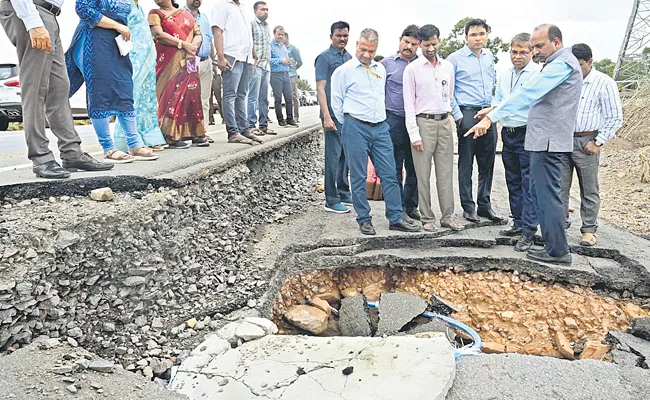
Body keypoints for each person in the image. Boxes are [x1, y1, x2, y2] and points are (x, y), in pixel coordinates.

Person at [467, 24, 583, 265]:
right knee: (541, 192)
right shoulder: (554, 64)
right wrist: (495, 109)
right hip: (543, 140)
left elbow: (529, 93)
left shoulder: (562, 64)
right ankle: (553, 246)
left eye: (539, 46)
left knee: (546, 195)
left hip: (548, 141)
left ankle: (558, 251)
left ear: (557, 42)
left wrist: (491, 118)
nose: (536, 50)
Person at [0, 0, 113, 178]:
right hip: (32, 11)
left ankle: (72, 152)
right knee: (35, 88)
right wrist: (33, 22)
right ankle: (41, 157)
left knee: (59, 88)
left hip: (49, 14)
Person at [331, 28, 422, 235]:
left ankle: (396, 217)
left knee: (390, 173)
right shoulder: (344, 72)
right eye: (363, 49)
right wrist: (349, 127)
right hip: (355, 126)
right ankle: (364, 218)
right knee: (358, 175)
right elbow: (336, 103)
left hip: (381, 128)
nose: (366, 55)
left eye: (371, 51)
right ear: (356, 44)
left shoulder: (380, 69)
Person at [67, 0, 159, 163]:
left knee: (125, 88)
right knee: (100, 91)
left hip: (118, 43)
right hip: (94, 39)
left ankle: (134, 144)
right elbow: (83, 9)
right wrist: (117, 26)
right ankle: (108, 148)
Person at [480, 33, 542, 252]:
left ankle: (529, 231)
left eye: (523, 52)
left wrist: (491, 116)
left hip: (527, 132)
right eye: (514, 52)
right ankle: (517, 222)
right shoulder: (505, 75)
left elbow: (519, 102)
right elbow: (499, 101)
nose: (517, 56)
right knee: (512, 179)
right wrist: (490, 110)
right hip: (509, 132)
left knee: (528, 182)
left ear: (532, 52)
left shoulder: (537, 74)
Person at [403, 24, 464, 233]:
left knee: (446, 172)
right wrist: (414, 134)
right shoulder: (412, 69)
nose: (431, 48)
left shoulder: (447, 67)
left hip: (444, 122)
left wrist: (457, 120)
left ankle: (448, 216)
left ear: (439, 41)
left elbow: (451, 96)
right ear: (419, 44)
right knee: (423, 173)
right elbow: (408, 104)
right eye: (427, 45)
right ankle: (427, 217)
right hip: (423, 123)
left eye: (434, 44)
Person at [561, 43, 623, 247]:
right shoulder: (566, 79)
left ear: (590, 62)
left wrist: (598, 142)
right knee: (560, 187)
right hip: (563, 139)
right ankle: (560, 226)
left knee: (589, 189)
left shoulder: (604, 83)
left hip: (587, 140)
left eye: (579, 65)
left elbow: (614, 116)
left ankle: (588, 230)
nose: (575, 70)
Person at [448, 18, 505, 224]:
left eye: (482, 34)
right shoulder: (455, 59)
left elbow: (493, 86)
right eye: (473, 34)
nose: (478, 38)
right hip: (467, 113)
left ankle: (484, 205)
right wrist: (459, 116)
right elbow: (449, 91)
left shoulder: (489, 56)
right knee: (466, 162)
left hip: (488, 113)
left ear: (487, 35)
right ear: (465, 37)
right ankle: (468, 207)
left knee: (487, 161)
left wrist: (493, 112)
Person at [149, 0, 208, 149]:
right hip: (168, 62)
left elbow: (198, 34)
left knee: (192, 94)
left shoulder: (185, 14)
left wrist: (192, 48)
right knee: (171, 95)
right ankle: (171, 136)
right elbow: (158, 34)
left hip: (190, 59)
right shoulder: (155, 14)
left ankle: (196, 133)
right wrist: (183, 44)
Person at [114, 0, 167, 152]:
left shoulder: (139, 6)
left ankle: (149, 137)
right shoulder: (123, 5)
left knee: (148, 100)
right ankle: (126, 139)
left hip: (148, 59)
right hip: (134, 58)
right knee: (132, 97)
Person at [381, 24, 420, 222]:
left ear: (419, 45)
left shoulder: (422, 65)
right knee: (394, 166)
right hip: (394, 120)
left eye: (414, 44)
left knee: (415, 166)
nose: (409, 47)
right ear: (399, 40)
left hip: (417, 122)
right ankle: (397, 209)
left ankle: (411, 205)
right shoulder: (386, 64)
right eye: (406, 42)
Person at [315, 21, 353, 213]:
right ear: (331, 36)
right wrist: (327, 117)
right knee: (333, 156)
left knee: (345, 156)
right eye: (338, 35)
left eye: (345, 35)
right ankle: (331, 199)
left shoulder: (350, 58)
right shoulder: (324, 58)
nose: (342, 39)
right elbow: (321, 89)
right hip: (332, 115)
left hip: (347, 115)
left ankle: (344, 192)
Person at [211, 0, 257, 145]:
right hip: (231, 56)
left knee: (242, 95)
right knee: (230, 95)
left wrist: (253, 55)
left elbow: (248, 34)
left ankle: (244, 130)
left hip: (246, 57)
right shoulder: (221, 6)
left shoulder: (243, 8)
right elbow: (217, 32)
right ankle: (233, 132)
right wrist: (220, 57)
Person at [184, 0, 215, 137]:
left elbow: (209, 40)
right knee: (189, 98)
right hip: (189, 62)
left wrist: (213, 62)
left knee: (204, 99)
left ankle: (203, 132)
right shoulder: (181, 14)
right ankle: (188, 132)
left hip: (206, 61)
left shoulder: (205, 17)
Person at [247, 1, 275, 136]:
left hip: (266, 65)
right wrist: (253, 59)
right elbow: (249, 42)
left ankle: (263, 125)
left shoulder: (266, 26)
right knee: (253, 96)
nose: (265, 12)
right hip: (256, 64)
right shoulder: (251, 24)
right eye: (262, 9)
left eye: (267, 9)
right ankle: (251, 125)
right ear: (255, 11)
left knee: (264, 98)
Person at [270, 26, 297, 127]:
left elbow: (285, 58)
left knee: (289, 97)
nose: (280, 36)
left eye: (282, 35)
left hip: (286, 73)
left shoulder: (283, 47)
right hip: (275, 74)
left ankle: (290, 118)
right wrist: (281, 60)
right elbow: (268, 60)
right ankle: (280, 120)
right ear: (274, 34)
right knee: (278, 99)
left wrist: (288, 61)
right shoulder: (270, 46)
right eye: (279, 34)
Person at [283, 32, 303, 124]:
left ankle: (296, 116)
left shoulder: (293, 49)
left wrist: (293, 69)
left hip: (292, 75)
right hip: (283, 74)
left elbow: (299, 62)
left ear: (286, 38)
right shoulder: (280, 48)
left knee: (294, 96)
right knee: (286, 97)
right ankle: (288, 117)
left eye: (282, 37)